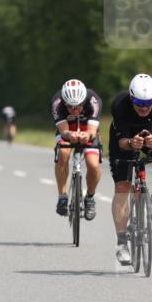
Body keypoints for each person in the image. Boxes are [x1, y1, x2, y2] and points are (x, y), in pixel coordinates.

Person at [108, 74, 152, 265]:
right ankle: (121, 243)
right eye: (139, 103)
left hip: (149, 136)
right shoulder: (120, 104)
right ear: (131, 97)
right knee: (122, 188)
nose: (144, 107)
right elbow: (122, 142)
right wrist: (131, 142)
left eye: (149, 103)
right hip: (125, 140)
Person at [51, 79, 103, 220]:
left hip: (88, 129)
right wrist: (69, 134)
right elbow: (63, 131)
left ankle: (90, 198)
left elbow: (92, 130)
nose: (74, 110)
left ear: (84, 101)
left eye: (78, 106)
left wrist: (88, 135)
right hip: (67, 129)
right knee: (63, 152)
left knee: (93, 163)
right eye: (70, 107)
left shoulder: (93, 100)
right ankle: (62, 196)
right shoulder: (57, 102)